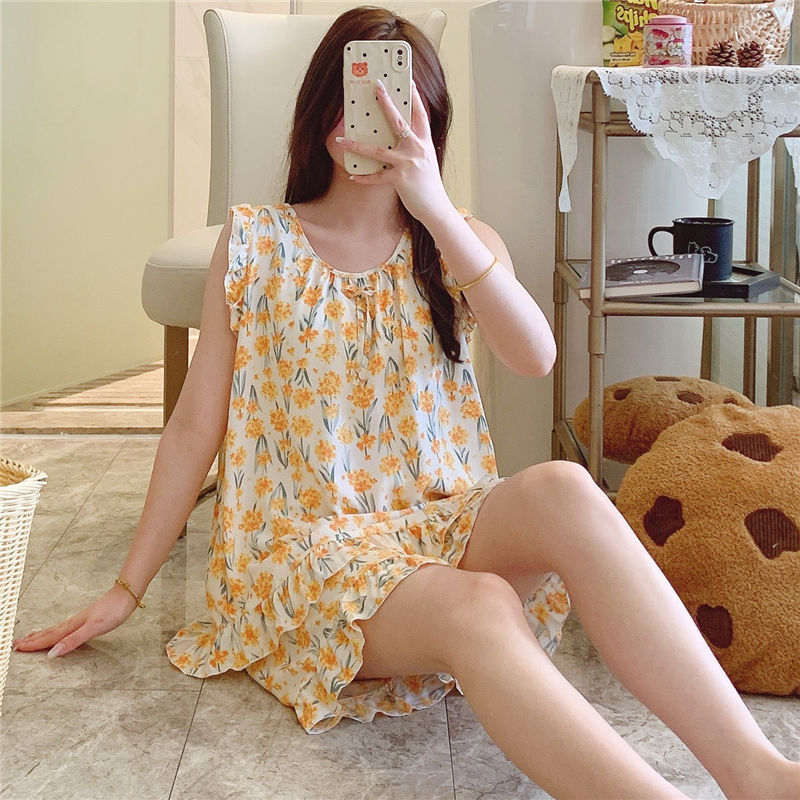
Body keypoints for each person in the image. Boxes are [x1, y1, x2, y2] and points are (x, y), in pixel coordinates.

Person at [12, 7, 800, 798]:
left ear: (429, 123)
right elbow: (194, 426)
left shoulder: (458, 240)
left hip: (438, 523)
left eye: (399, 103)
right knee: (479, 606)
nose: (372, 120)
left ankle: (758, 774)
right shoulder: (255, 242)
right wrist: (128, 587)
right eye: (356, 97)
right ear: (321, 109)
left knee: (563, 486)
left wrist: (436, 208)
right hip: (307, 551)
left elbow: (535, 356)